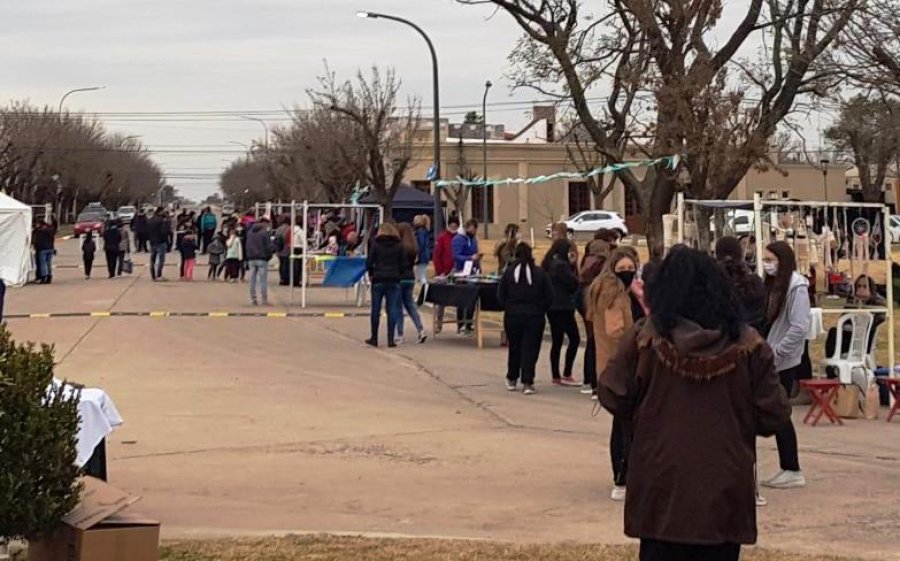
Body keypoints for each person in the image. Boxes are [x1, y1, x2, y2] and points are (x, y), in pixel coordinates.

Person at [597, 246, 790, 561]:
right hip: (724, 486)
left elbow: (613, 393)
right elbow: (774, 414)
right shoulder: (749, 345)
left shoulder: (645, 339)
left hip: (661, 485)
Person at [588, 248, 645, 501]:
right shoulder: (613, 293)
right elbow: (616, 332)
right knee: (624, 426)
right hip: (621, 367)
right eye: (622, 269)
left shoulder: (606, 289)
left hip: (611, 366)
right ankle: (621, 477)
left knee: (624, 424)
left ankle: (625, 475)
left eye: (629, 268)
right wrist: (639, 344)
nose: (627, 273)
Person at [761, 241, 809, 491]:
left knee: (779, 412)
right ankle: (787, 466)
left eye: (770, 259)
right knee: (776, 412)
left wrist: (778, 352)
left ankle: (792, 467)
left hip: (784, 360)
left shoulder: (796, 286)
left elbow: (799, 326)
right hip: (771, 356)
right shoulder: (772, 285)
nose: (766, 264)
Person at [498, 242, 554, 395]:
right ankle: (528, 381)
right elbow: (549, 296)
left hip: (512, 316)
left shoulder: (509, 273)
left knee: (514, 348)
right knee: (530, 349)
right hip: (534, 316)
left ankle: (512, 378)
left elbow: (500, 295)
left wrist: (509, 307)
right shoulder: (540, 273)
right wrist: (541, 309)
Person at [577, 235, 616, 396]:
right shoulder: (604, 261)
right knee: (599, 344)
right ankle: (597, 383)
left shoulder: (587, 258)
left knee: (591, 341)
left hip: (585, 300)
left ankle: (588, 380)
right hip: (598, 303)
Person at [542, 238, 581, 386]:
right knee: (574, 338)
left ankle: (556, 374)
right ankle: (567, 372)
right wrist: (573, 266)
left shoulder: (549, 264)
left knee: (557, 340)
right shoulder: (562, 266)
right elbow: (574, 283)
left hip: (551, 306)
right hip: (563, 306)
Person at [365, 223, 406, 348]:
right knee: (392, 309)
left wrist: (372, 273)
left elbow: (369, 262)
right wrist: (399, 273)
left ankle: (374, 337)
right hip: (394, 279)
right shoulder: (399, 245)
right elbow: (404, 263)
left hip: (378, 278)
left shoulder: (375, 244)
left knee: (376, 309)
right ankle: (390, 339)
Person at [716, 236, 766, 333]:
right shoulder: (755, 283)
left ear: (717, 255)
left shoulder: (711, 285)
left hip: (723, 342)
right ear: (740, 254)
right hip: (754, 341)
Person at [394, 223, 427, 345]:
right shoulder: (413, 247)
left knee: (398, 307)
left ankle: (400, 334)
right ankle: (420, 329)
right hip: (410, 278)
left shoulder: (399, 247)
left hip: (399, 278)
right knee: (410, 305)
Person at [452, 219, 481, 335]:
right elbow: (456, 256)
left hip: (472, 272)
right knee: (462, 299)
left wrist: (478, 265)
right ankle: (461, 324)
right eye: (473, 229)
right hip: (461, 272)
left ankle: (469, 323)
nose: (474, 232)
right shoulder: (458, 239)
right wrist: (469, 258)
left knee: (472, 299)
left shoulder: (473, 239)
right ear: (467, 227)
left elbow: (475, 252)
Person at [431, 215, 460, 334]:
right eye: (452, 224)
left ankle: (460, 324)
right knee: (441, 301)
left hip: (457, 272)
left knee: (459, 299)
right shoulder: (442, 237)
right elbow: (436, 256)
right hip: (443, 273)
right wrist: (440, 271)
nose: (453, 227)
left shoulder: (460, 237)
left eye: (455, 225)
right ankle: (439, 323)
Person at [245, 217, 275, 306]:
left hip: (251, 258)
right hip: (262, 258)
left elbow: (247, 245)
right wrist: (272, 251)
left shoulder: (250, 233)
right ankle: (264, 300)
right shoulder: (265, 233)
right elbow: (269, 246)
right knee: (263, 280)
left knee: (252, 280)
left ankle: (253, 299)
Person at [147, 209, 169, 281]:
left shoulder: (149, 221)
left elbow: (146, 232)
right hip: (161, 242)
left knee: (152, 259)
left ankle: (153, 275)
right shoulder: (161, 221)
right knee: (161, 259)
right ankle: (159, 275)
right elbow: (164, 232)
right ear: (160, 212)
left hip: (152, 242)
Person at [413, 215, 432, 287]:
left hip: (421, 256)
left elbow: (420, 244)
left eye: (415, 220)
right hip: (425, 255)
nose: (413, 222)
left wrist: (417, 255)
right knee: (421, 274)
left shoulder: (420, 231)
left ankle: (424, 290)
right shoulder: (424, 231)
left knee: (421, 275)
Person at [275, 215, 294, 286]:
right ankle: (287, 278)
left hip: (280, 249)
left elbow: (277, 239)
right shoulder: (290, 228)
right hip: (288, 249)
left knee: (281, 264)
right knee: (287, 265)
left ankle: (282, 279)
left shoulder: (279, 229)